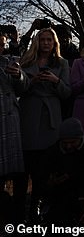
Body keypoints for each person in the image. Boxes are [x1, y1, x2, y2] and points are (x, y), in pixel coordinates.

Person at [13, 27, 72, 222]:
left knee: (44, 168)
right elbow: (18, 90)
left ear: (55, 43)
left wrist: (55, 81)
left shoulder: (62, 63)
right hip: (29, 115)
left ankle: (36, 209)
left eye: (49, 40)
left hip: (50, 118)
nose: (46, 43)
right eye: (43, 39)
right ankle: (18, 211)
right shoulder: (26, 61)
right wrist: (31, 80)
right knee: (24, 167)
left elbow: (67, 93)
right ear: (37, 42)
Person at [0, 54, 29, 223]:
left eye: (2, 44)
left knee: (18, 172)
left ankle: (18, 216)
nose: (1, 48)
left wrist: (19, 75)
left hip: (10, 122)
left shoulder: (10, 61)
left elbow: (24, 88)